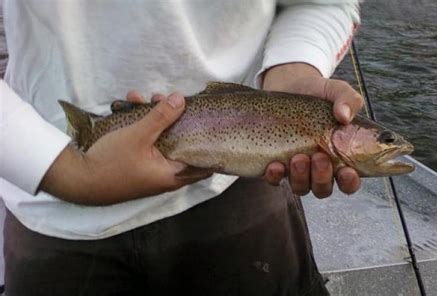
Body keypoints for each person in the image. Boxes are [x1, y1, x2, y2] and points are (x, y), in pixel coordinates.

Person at [0, 0, 363, 295]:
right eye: (387, 141)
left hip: (234, 186)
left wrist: (295, 67)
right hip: (52, 203)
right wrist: (64, 170)